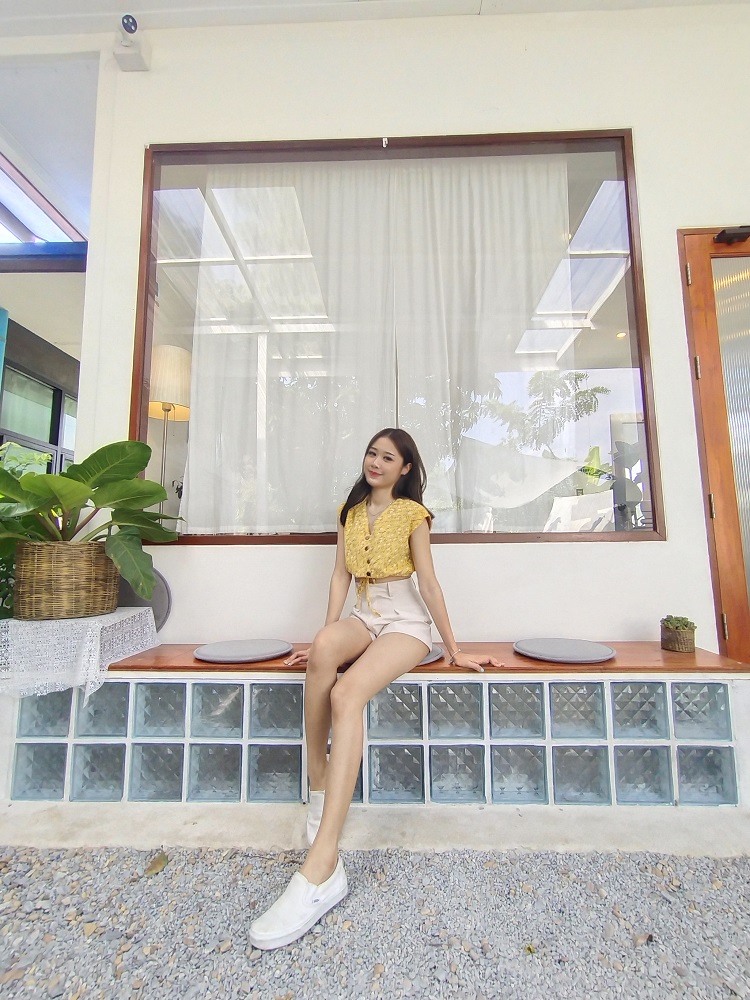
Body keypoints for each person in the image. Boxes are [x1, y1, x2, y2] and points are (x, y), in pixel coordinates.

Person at [248, 428, 502, 950]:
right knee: (322, 650)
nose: (376, 462)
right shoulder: (350, 511)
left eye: (388, 457)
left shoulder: (414, 515)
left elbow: (427, 583)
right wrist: (326, 638)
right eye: (372, 453)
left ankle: (324, 863)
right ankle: (319, 784)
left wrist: (453, 648)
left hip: (406, 624)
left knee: (346, 695)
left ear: (405, 468)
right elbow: (340, 577)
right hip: (365, 615)